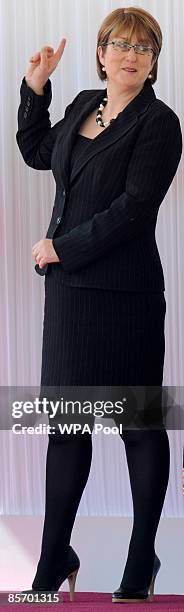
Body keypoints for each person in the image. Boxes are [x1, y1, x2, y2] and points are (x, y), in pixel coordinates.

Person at [16, 6, 182, 604]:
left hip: (126, 296)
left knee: (137, 429)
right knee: (66, 430)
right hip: (69, 299)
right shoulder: (85, 102)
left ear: (154, 61)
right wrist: (36, 85)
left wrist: (60, 248)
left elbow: (135, 210)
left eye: (144, 46)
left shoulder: (160, 124)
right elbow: (39, 152)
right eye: (120, 43)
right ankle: (53, 556)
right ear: (101, 52)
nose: (131, 53)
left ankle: (143, 555)